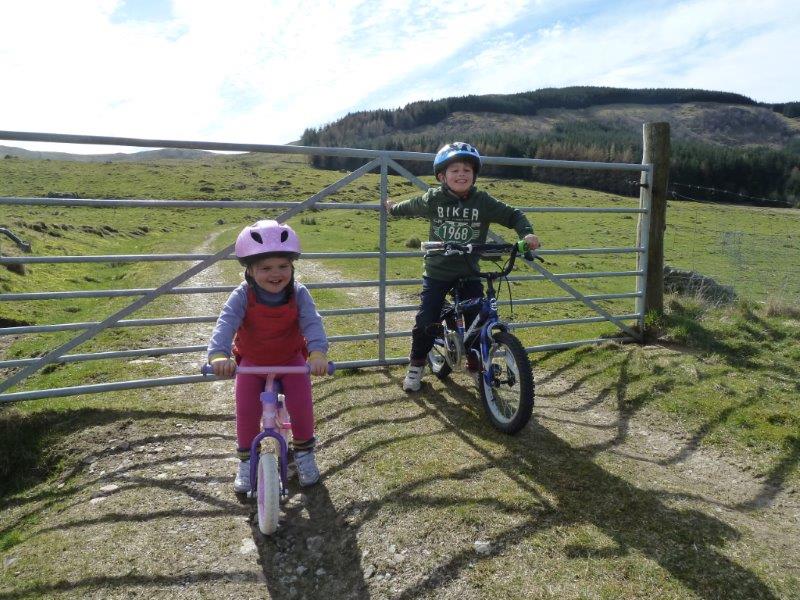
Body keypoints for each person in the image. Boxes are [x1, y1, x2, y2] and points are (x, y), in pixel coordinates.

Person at [384, 142, 540, 392]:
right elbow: (411, 206)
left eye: (467, 170)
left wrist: (528, 235)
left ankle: (475, 363)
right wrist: (393, 209)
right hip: (438, 271)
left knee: (476, 318)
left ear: (474, 175)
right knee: (427, 319)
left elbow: (514, 215)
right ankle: (416, 365)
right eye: (454, 170)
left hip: (470, 271)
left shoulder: (483, 201)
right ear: (442, 176)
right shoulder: (434, 198)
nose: (461, 174)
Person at [207, 219, 329, 490]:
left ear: (292, 267)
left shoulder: (298, 293)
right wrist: (218, 355)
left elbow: (312, 322)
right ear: (250, 271)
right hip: (252, 362)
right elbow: (226, 323)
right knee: (246, 409)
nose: (276, 274)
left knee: (301, 403)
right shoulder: (242, 295)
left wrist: (317, 353)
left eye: (283, 266)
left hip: (290, 360)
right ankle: (246, 460)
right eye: (265, 268)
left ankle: (305, 453)